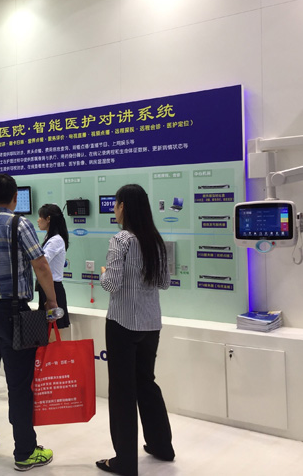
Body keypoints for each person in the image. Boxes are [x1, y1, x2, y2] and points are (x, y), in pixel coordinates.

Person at [0, 173, 58, 471]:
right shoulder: (20, 224)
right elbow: (41, 265)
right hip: (14, 313)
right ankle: (25, 452)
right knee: (19, 384)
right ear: (15, 198)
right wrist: (52, 301)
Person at [95, 184, 174, 476]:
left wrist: (103, 273)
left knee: (122, 390)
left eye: (116, 205)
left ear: (123, 207)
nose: (114, 210)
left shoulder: (121, 240)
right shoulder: (155, 240)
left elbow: (111, 284)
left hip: (122, 323)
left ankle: (125, 461)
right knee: (146, 384)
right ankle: (162, 446)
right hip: (151, 324)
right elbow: (164, 283)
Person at [36, 203, 70, 338]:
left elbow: (41, 263)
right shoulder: (50, 239)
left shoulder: (55, 240)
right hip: (46, 288)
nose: (38, 220)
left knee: (52, 335)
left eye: (40, 217)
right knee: (45, 333)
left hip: (52, 290)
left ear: (48, 219)